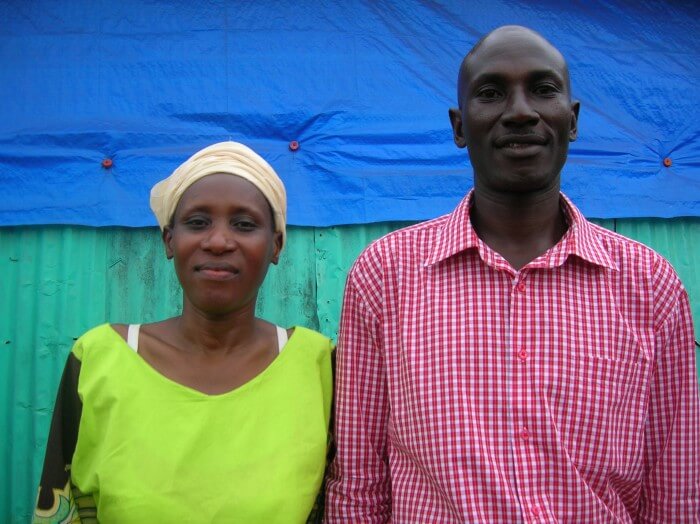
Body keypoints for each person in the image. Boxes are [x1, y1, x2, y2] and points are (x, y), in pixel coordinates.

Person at [326, 25, 699, 522]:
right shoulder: (385, 275)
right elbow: (359, 485)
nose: (520, 111)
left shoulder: (649, 284)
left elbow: (674, 490)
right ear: (459, 126)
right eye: (491, 93)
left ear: (572, 120)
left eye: (543, 90)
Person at [33, 141, 333, 523]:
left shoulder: (318, 366)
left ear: (275, 245)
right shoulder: (98, 360)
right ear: (169, 240)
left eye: (244, 224)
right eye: (197, 222)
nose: (218, 241)